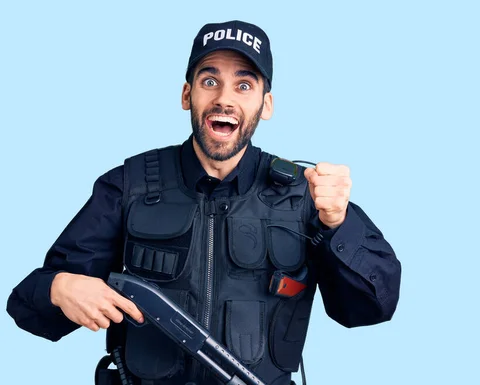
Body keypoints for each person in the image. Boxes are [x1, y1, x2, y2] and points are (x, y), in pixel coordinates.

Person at [6, 20, 401, 385]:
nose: (225, 99)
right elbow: (27, 308)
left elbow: (373, 308)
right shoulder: (128, 185)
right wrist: (58, 288)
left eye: (244, 86)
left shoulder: (306, 195)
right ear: (186, 95)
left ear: (266, 104)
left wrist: (338, 224)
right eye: (210, 81)